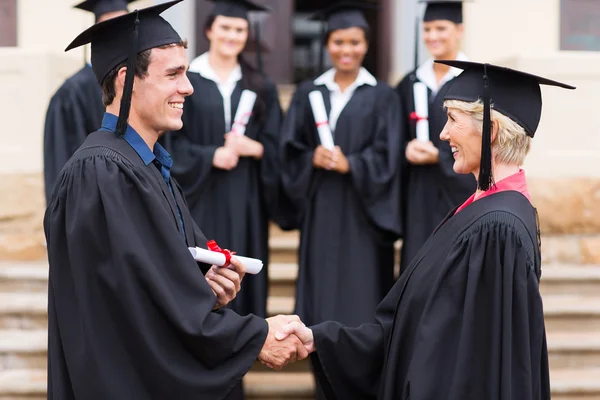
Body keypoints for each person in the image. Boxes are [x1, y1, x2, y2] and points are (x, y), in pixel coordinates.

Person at [44, 2, 307, 399]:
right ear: (125, 79)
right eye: (173, 74)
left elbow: (152, 280)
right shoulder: (102, 173)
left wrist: (205, 288)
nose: (188, 87)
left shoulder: (147, 168)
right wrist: (257, 336)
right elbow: (136, 306)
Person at [276, 61, 575, 399]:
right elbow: (414, 327)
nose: (443, 133)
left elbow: (481, 366)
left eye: (452, 120)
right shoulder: (478, 212)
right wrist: (323, 338)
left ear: (489, 130)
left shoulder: (498, 230)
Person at [279, 2, 401, 398]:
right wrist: (311, 158)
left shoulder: (382, 96)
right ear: (327, 44)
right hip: (321, 216)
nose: (345, 49)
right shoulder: (308, 93)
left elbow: (390, 156)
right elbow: (289, 151)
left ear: (366, 45)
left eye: (354, 41)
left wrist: (354, 164)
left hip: (364, 224)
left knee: (361, 307)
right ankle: (324, 386)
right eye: (338, 41)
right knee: (322, 305)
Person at [161, 0, 281, 325]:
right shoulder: (187, 83)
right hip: (202, 201)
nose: (232, 35)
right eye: (225, 28)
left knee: (242, 279)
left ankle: (243, 350)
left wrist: (254, 148)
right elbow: (170, 143)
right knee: (205, 276)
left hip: (246, 203)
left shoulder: (260, 86)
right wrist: (210, 155)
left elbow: (278, 146)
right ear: (209, 30)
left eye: (239, 29)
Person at [395, 0, 476, 272]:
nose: (432, 36)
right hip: (418, 195)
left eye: (441, 28)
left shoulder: (476, 80)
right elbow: (394, 135)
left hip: (459, 192)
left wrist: (439, 156)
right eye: (427, 29)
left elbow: (483, 139)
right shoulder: (410, 83)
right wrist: (405, 149)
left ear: (460, 30)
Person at [43, 0, 136, 204]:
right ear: (96, 33)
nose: (119, 32)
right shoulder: (71, 93)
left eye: (125, 25)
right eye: (110, 25)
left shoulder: (137, 82)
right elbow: (61, 165)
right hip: (93, 207)